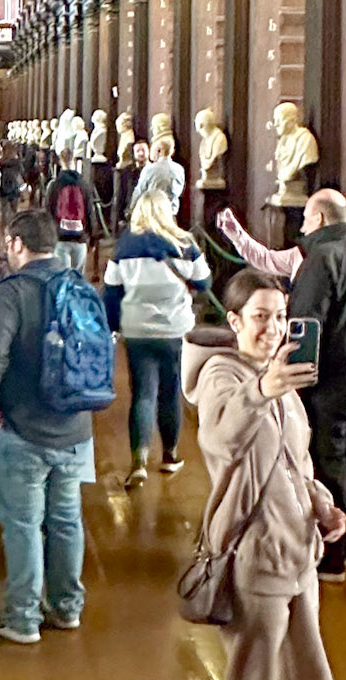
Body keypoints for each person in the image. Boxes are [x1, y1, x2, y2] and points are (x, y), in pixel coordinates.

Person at [183, 268, 345, 680]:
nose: (273, 329)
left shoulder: (280, 375)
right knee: (256, 668)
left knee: (307, 667)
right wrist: (260, 391)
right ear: (235, 321)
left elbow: (295, 461)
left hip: (299, 550)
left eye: (280, 317)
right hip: (256, 551)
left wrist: (321, 502)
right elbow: (220, 438)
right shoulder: (221, 376)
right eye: (260, 317)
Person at [0, 209, 94, 643]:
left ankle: (23, 617)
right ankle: (67, 608)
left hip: (22, 426)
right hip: (76, 427)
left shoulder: (12, 292)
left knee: (24, 524)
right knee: (66, 519)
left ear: (18, 245)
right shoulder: (80, 286)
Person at [285, 189, 346, 579]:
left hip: (330, 379)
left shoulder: (322, 258)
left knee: (329, 462)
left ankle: (332, 557)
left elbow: (305, 324)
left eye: (306, 219)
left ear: (320, 219)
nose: (303, 227)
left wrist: (294, 379)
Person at [102, 186, 209, 486]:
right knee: (170, 392)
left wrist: (112, 326)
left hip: (137, 330)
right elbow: (204, 282)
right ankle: (170, 456)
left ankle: (138, 461)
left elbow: (111, 292)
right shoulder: (185, 244)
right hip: (175, 329)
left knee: (143, 395)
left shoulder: (124, 247)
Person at [41, 149, 93, 274]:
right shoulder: (84, 184)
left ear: (60, 162)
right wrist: (92, 236)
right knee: (78, 277)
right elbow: (90, 211)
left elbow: (48, 211)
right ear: (74, 161)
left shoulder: (54, 185)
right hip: (80, 237)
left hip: (60, 237)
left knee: (61, 276)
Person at [114, 137, 151, 222]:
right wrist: (120, 218)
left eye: (143, 150)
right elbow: (121, 194)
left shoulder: (154, 170)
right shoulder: (126, 172)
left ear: (148, 151)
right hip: (131, 214)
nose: (141, 153)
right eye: (138, 151)